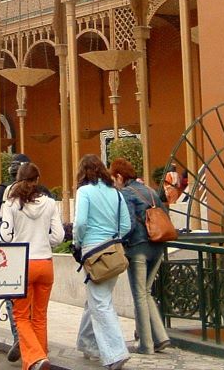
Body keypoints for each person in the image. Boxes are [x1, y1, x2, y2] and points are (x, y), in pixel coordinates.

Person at [0, 161, 65, 370]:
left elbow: (5, 236)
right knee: (40, 315)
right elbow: (59, 236)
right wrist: (45, 240)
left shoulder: (11, 204)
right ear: (37, 180)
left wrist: (18, 240)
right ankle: (39, 357)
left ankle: (36, 357)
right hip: (45, 262)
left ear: (18, 178)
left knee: (20, 315)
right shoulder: (50, 203)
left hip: (22, 262)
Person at [73, 154, 131, 370]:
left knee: (100, 303)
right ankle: (87, 342)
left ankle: (116, 353)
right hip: (113, 250)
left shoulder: (84, 192)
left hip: (93, 251)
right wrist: (112, 237)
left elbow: (80, 222)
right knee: (98, 298)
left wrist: (78, 242)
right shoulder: (116, 193)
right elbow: (126, 225)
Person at [109, 158, 170, 355]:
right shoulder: (150, 191)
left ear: (119, 176)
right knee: (146, 291)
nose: (114, 184)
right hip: (158, 246)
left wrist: (120, 240)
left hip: (138, 248)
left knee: (139, 294)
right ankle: (160, 337)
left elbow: (128, 224)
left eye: (114, 179)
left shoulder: (126, 193)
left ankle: (146, 344)